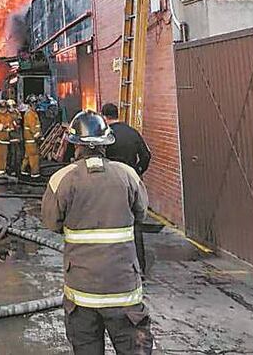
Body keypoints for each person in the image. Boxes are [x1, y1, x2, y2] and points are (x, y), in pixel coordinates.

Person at [41, 110, 154, 354]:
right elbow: (140, 216)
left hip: (82, 294)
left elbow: (51, 222)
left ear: (74, 145)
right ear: (105, 143)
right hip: (123, 291)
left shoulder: (61, 180)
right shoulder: (128, 175)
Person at [100, 102, 154, 278]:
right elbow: (146, 155)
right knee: (135, 226)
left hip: (110, 184)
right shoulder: (132, 133)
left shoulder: (105, 135)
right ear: (117, 114)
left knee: (109, 225)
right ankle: (140, 268)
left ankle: (113, 267)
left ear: (104, 116)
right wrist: (137, 171)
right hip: (132, 184)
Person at [21, 95, 42, 178]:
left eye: (35, 103)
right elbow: (32, 127)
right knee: (34, 156)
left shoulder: (32, 113)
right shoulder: (30, 114)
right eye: (33, 103)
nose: (35, 105)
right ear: (30, 104)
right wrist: (37, 136)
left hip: (30, 140)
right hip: (31, 140)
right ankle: (35, 174)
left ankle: (23, 170)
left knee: (27, 156)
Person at [6, 99, 24, 176]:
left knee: (18, 155)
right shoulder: (6, 115)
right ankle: (12, 169)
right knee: (12, 154)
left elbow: (19, 122)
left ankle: (17, 170)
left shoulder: (16, 113)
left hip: (17, 137)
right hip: (11, 138)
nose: (12, 107)